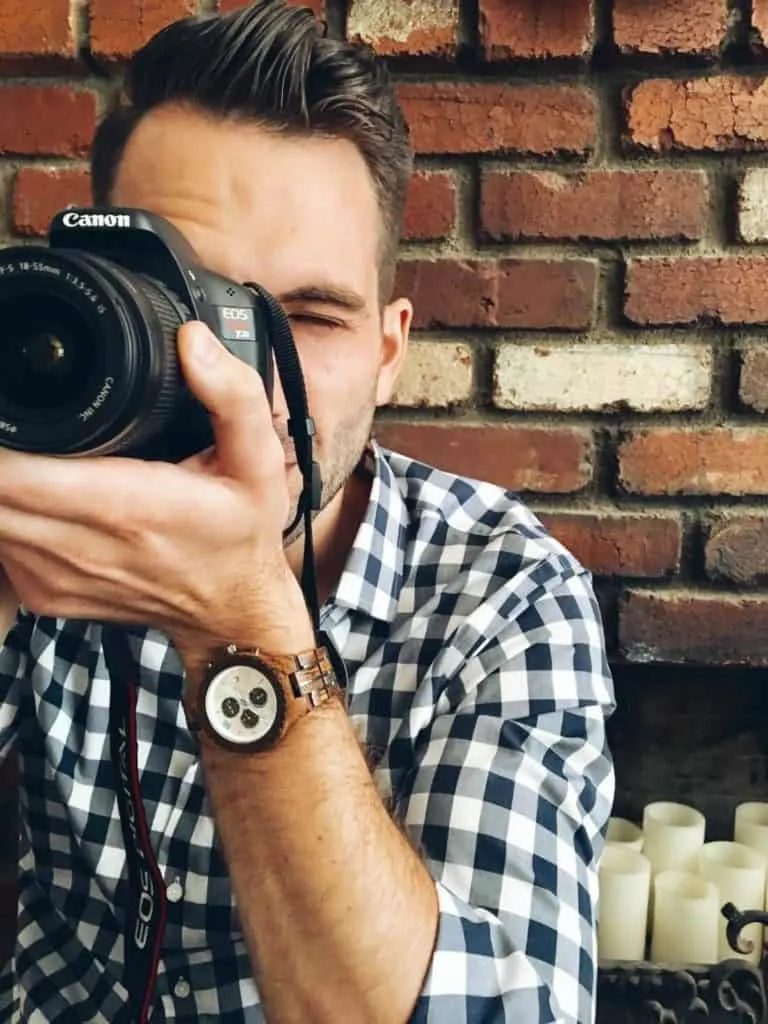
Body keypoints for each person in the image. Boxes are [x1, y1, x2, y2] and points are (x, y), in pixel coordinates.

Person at [0, 2, 616, 1021]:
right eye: (186, 303)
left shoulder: (500, 594)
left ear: (388, 349)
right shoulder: (36, 503)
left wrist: (241, 623)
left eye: (309, 318)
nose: (244, 382)